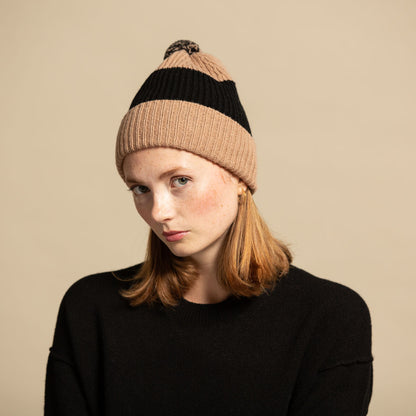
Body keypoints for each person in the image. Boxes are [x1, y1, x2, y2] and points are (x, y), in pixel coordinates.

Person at [44, 40, 373, 415]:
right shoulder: (90, 310)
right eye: (140, 189)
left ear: (239, 178)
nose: (158, 212)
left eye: (180, 180)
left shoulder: (329, 318)